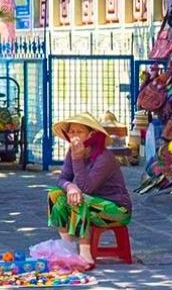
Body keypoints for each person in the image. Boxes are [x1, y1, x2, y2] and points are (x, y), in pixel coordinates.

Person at [47, 112, 132, 261]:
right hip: (89, 204)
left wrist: (77, 159)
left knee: (81, 199)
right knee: (55, 194)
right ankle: (67, 247)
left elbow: (86, 188)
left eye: (79, 132)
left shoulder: (104, 158)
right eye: (71, 132)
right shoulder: (71, 152)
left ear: (90, 134)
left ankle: (85, 255)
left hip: (116, 209)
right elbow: (62, 179)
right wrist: (70, 187)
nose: (74, 136)